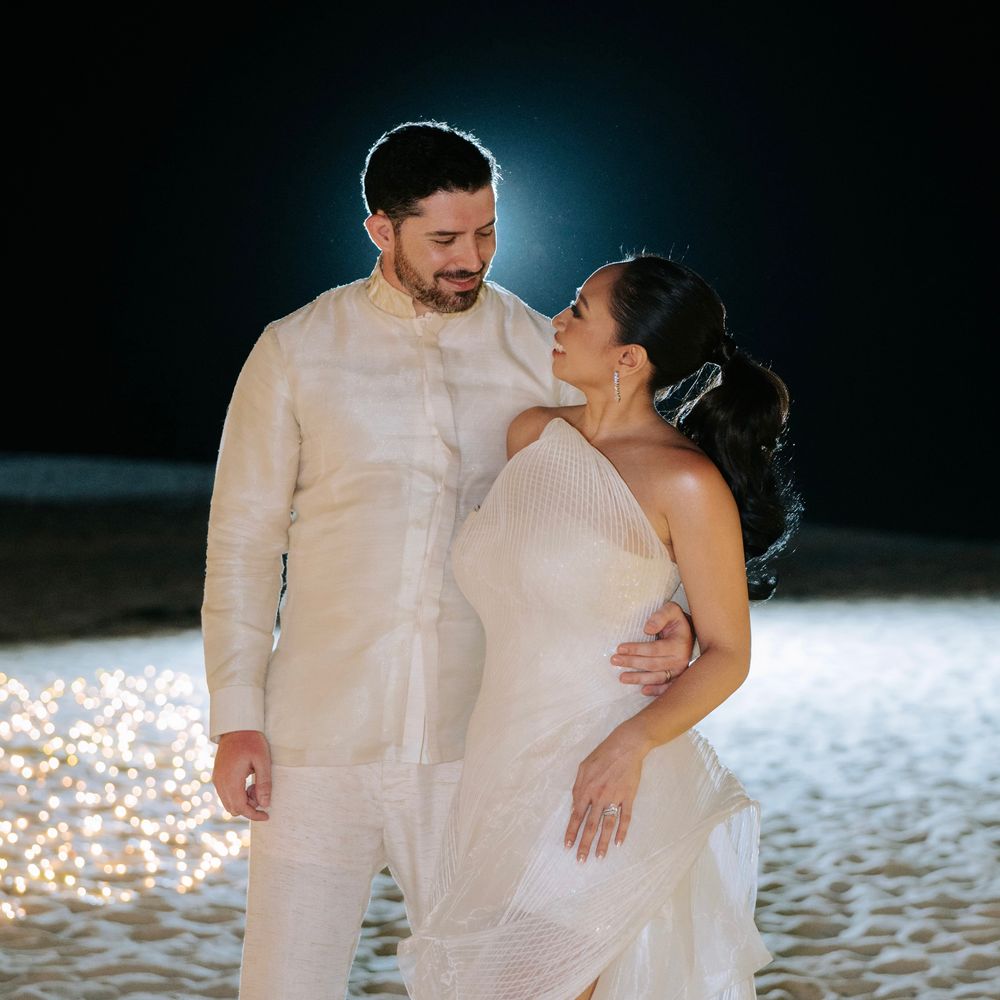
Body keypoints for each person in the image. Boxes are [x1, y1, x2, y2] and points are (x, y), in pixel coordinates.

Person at [201, 121, 698, 1000]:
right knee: (285, 984)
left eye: (486, 233)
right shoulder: (294, 351)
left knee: (483, 987)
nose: (471, 258)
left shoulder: (540, 353)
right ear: (380, 231)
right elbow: (242, 545)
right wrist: (236, 715)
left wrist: (681, 612)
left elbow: (639, 492)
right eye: (444, 240)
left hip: (485, 746)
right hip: (316, 736)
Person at [397, 253, 801, 999]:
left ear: (629, 357)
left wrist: (630, 743)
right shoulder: (530, 438)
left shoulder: (684, 479)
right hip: (498, 764)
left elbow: (729, 653)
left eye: (579, 308)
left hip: (604, 779)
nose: (558, 319)